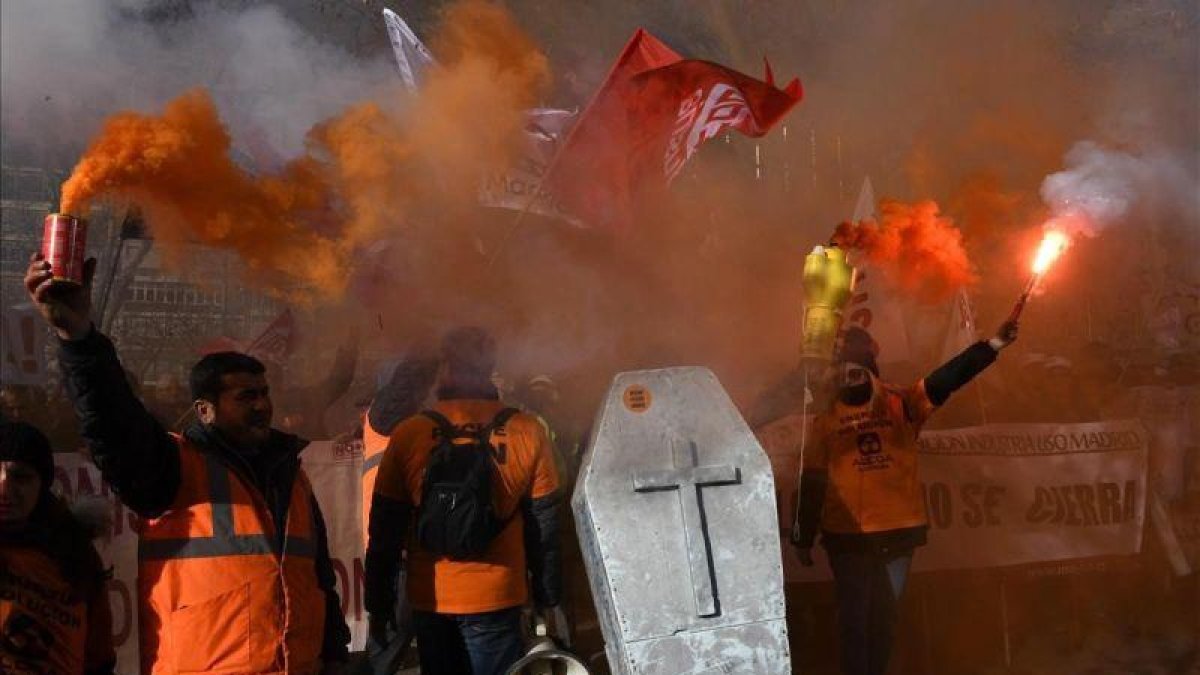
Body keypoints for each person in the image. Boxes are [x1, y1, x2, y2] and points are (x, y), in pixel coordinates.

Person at [24, 253, 350, 674]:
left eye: (263, 393)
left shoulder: (290, 473)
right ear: (205, 410)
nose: (262, 406)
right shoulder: (172, 467)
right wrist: (78, 338)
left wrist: (337, 655)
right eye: (245, 397)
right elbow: (111, 420)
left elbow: (318, 577)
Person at [792, 320, 1018, 675]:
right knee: (854, 621)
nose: (850, 377)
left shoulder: (902, 402)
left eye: (857, 369)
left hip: (897, 536)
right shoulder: (824, 421)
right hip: (847, 539)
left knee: (884, 618)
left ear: (871, 371)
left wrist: (991, 346)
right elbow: (812, 481)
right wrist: (802, 537)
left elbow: (948, 378)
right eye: (843, 370)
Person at [365, 327, 563, 675]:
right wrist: (548, 599)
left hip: (431, 595)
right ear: (490, 367)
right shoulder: (527, 430)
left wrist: (378, 605)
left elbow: (384, 531)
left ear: (446, 369)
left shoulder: (410, 433)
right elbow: (543, 528)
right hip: (498, 595)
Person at [1, 421, 115, 675]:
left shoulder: (73, 552)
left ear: (42, 486)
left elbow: (99, 657)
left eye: (21, 477)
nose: (5, 489)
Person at [356, 351, 438, 675]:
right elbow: (405, 385)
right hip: (398, 557)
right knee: (389, 643)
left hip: (416, 554)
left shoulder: (418, 428)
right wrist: (431, 346)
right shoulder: (384, 419)